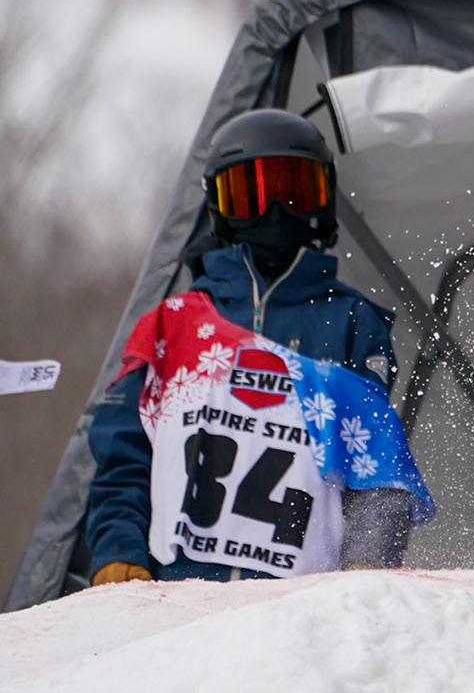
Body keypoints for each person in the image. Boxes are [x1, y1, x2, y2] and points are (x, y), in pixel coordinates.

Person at [87, 109, 422, 584]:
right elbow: (124, 453)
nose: (274, 212)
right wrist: (120, 553)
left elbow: (373, 464)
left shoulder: (350, 321)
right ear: (219, 208)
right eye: (251, 196)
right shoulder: (175, 325)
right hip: (179, 595)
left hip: (299, 606)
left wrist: (366, 567)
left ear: (322, 200)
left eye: (294, 192)